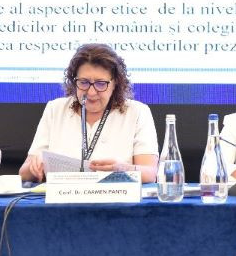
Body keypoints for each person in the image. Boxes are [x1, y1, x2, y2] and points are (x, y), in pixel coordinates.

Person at [19, 43, 158, 183]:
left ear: (115, 83)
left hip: (114, 194)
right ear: (74, 81)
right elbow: (24, 174)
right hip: (64, 195)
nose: (91, 92)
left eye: (101, 83)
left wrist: (124, 169)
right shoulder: (55, 109)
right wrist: (35, 167)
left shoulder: (137, 112)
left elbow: (150, 174)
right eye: (84, 82)